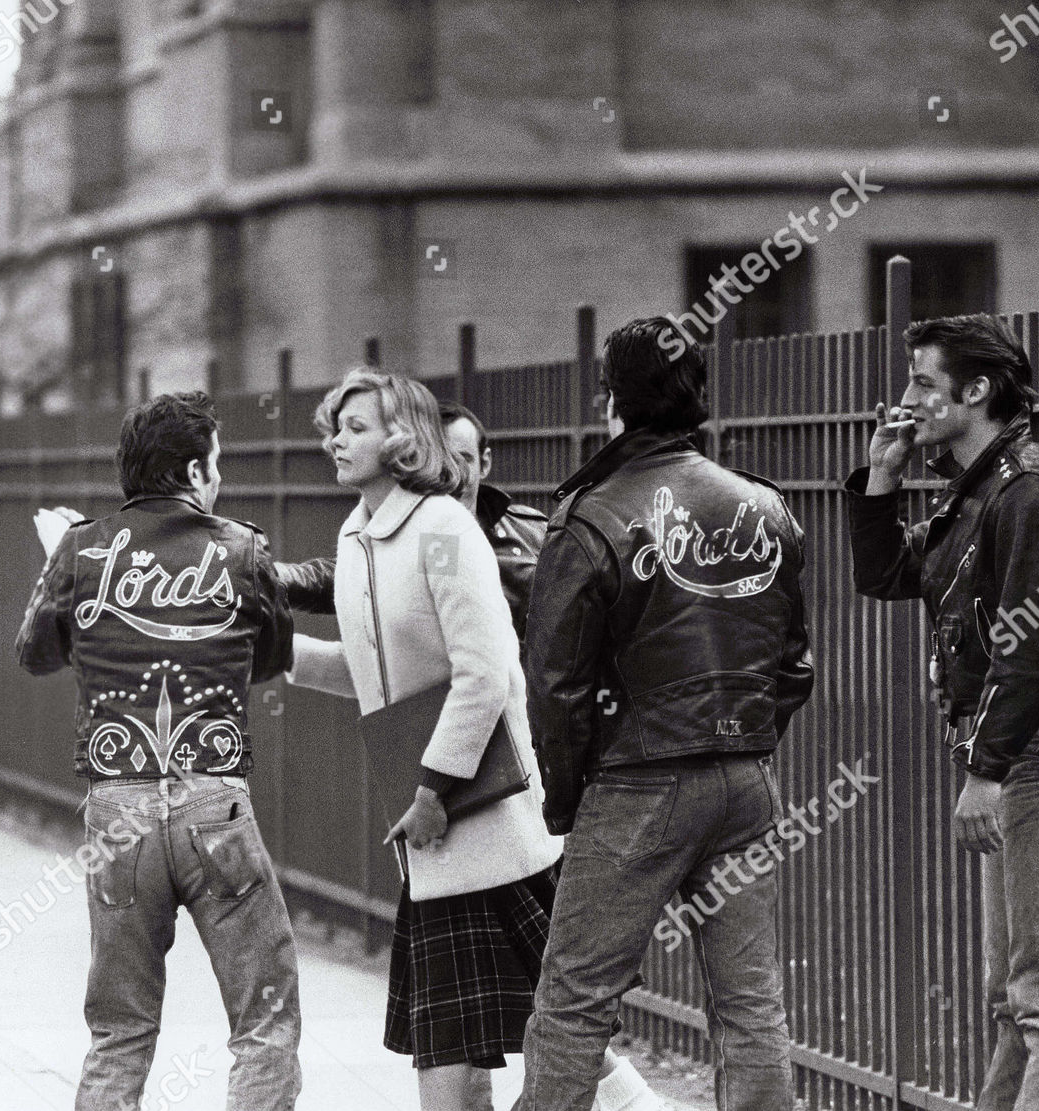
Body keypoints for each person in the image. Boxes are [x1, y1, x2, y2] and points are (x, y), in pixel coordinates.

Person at [517, 318, 814, 1111]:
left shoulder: (589, 516)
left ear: (612, 400)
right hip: (745, 782)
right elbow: (795, 663)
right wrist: (745, 738)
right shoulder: (766, 508)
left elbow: (553, 683)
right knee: (751, 1009)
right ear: (697, 397)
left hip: (639, 780)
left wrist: (569, 795)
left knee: (574, 1003)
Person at [844, 315, 1039, 1111]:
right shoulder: (977, 492)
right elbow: (889, 573)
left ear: (978, 391)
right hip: (1023, 755)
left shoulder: (1030, 491)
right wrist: (881, 478)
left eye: (923, 384)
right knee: (1012, 995)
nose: (906, 402)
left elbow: (1035, 649)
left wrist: (986, 770)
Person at [283, 368, 565, 1111]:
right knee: (452, 1051)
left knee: (567, 1039)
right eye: (335, 427)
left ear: (402, 439)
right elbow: (378, 676)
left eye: (357, 427)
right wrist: (280, 654)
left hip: (490, 830)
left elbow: (487, 674)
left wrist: (435, 790)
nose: (337, 440)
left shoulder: (441, 530)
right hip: (433, 839)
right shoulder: (355, 539)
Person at [14, 391, 301, 1111]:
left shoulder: (82, 548)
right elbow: (268, 659)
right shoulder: (242, 548)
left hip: (117, 809)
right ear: (198, 469)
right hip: (215, 803)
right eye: (218, 465)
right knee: (263, 1018)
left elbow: (34, 653)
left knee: (119, 1029)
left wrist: (67, 574)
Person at [275, 399, 548, 643]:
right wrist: (274, 576)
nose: (454, 473)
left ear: (484, 463)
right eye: (440, 460)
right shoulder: (416, 537)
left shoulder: (532, 530)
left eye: (463, 459)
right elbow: (348, 576)